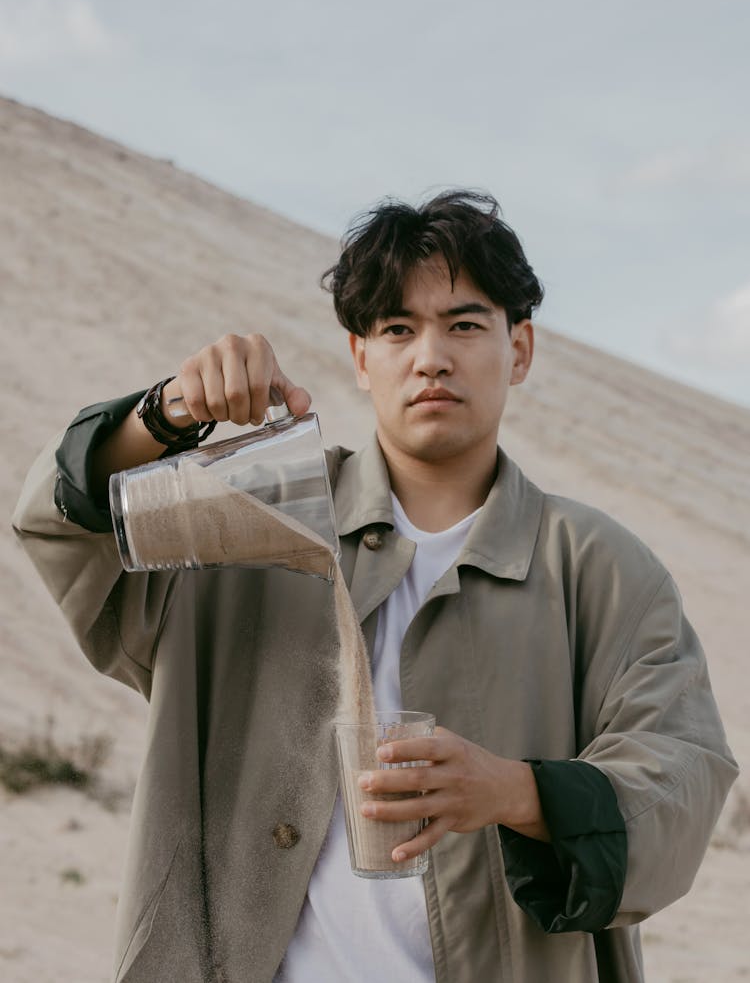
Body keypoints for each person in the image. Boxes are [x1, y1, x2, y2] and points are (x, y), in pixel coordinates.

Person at [13, 189, 737, 983]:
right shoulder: (248, 523)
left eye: (464, 324)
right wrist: (166, 413)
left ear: (519, 348)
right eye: (397, 328)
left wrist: (514, 791)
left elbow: (684, 774)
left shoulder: (599, 567)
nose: (431, 356)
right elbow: (62, 525)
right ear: (361, 358)